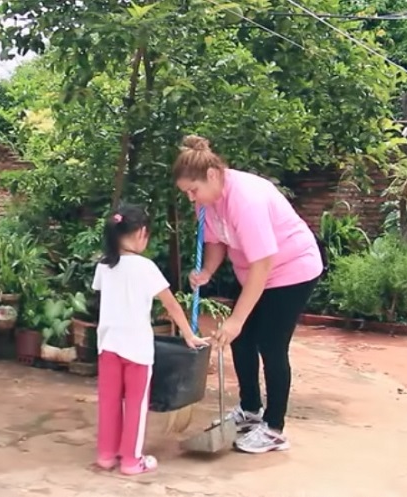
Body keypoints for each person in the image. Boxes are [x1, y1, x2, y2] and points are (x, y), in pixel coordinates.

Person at [173, 135, 323, 454]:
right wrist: (207, 271)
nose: (190, 197)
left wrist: (237, 319)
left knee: (270, 343)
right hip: (255, 272)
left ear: (212, 175)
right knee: (241, 340)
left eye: (193, 190)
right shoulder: (208, 202)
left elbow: (263, 264)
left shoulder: (246, 200)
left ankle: (274, 428)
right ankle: (250, 409)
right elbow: (216, 241)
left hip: (291, 269)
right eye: (186, 192)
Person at [93, 204, 209, 475]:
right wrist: (189, 334)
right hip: (137, 349)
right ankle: (131, 461)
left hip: (108, 345)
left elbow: (102, 296)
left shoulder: (104, 266)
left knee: (109, 402)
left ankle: (106, 456)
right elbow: (171, 304)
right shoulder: (146, 267)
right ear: (141, 233)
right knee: (136, 404)